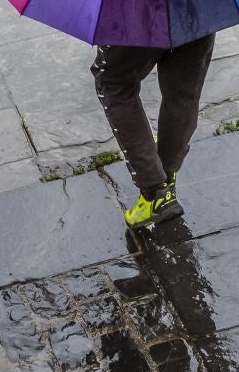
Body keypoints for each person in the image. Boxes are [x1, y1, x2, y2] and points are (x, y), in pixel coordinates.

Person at [91, 33, 215, 227]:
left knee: (113, 83)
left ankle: (154, 192)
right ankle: (167, 173)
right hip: (197, 10)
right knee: (183, 91)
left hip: (138, 13)